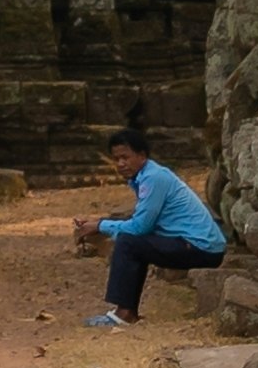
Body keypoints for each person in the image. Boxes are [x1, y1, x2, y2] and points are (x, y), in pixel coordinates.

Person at [85, 130, 227, 324]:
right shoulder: (145, 177)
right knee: (133, 242)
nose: (120, 164)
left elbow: (139, 227)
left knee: (129, 242)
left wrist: (100, 225)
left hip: (201, 247)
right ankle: (128, 311)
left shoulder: (154, 178)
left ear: (142, 155)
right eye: (116, 159)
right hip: (193, 244)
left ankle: (124, 313)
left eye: (125, 157)